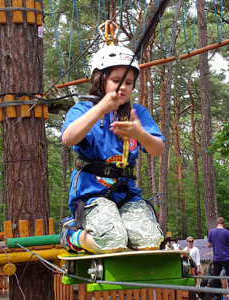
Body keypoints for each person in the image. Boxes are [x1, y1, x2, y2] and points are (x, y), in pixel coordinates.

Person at [59, 45, 164, 254]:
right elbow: (68, 138)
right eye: (116, 81)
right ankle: (71, 234)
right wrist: (101, 109)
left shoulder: (137, 113)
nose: (123, 87)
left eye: (128, 82)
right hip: (91, 195)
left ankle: (121, 232)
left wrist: (140, 134)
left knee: (151, 241)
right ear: (101, 80)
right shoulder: (83, 110)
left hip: (125, 195)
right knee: (112, 241)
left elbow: (158, 149)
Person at [208, 217, 229, 300]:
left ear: (217, 223)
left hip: (216, 258)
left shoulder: (211, 232)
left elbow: (209, 245)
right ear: (223, 223)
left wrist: (216, 244)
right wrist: (224, 244)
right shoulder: (226, 232)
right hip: (226, 258)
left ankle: (215, 296)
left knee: (216, 277)